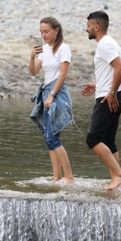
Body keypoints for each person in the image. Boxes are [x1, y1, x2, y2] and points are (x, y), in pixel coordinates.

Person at [81, 11, 121, 190]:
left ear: (97, 26)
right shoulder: (111, 42)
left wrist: (111, 92)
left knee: (93, 139)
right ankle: (116, 179)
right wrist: (98, 84)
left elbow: (120, 68)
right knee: (108, 140)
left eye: (88, 25)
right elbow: (113, 71)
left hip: (108, 99)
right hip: (112, 95)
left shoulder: (104, 45)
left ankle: (119, 175)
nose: (86, 29)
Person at [29, 16, 75, 184]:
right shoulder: (45, 49)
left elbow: (63, 74)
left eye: (46, 31)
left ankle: (69, 177)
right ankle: (56, 177)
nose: (43, 35)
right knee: (48, 137)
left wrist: (52, 95)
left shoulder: (64, 48)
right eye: (41, 32)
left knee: (53, 137)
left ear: (56, 30)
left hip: (57, 93)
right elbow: (34, 72)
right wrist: (32, 56)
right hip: (47, 92)